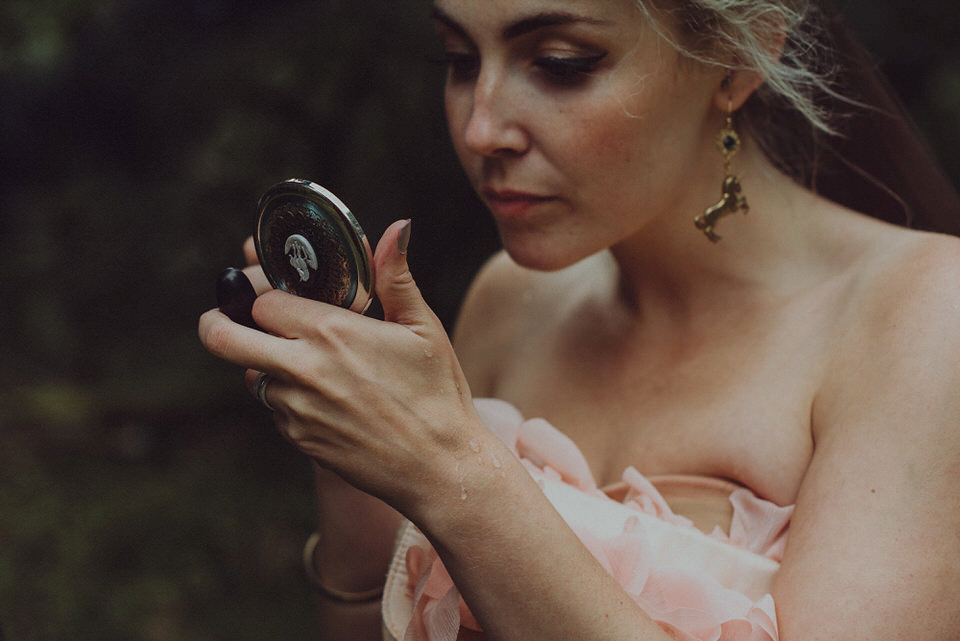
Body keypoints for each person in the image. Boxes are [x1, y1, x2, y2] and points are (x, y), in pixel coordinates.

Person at [199, 0, 960, 639]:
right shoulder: (513, 300)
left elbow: (458, 486)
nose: (482, 129)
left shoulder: (925, 318)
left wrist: (451, 470)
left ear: (738, 60)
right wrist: (354, 465)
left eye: (561, 63)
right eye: (459, 61)